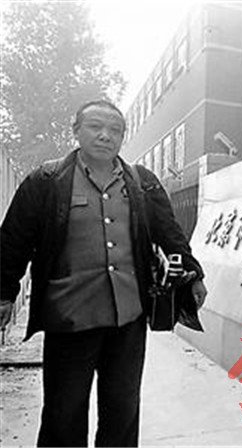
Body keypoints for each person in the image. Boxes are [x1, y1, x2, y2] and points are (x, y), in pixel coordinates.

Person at [0, 99, 207, 447]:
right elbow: (14, 240)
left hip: (128, 318)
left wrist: (193, 273)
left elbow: (169, 232)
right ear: (76, 131)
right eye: (95, 127)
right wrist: (4, 293)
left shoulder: (142, 182)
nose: (105, 136)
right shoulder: (47, 180)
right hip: (69, 318)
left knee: (123, 411)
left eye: (115, 130)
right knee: (63, 413)